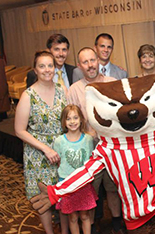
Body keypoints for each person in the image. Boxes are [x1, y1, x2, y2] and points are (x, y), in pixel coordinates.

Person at [67, 47, 123, 234]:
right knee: (90, 191)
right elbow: (71, 120)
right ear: (79, 66)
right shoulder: (74, 90)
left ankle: (116, 221)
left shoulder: (112, 83)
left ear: (98, 60)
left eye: (93, 60)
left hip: (113, 147)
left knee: (113, 188)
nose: (90, 65)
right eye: (85, 62)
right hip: (89, 149)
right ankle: (90, 226)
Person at [15, 51, 68, 234]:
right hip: (38, 155)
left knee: (61, 193)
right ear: (35, 70)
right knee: (42, 196)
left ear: (55, 68)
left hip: (61, 151)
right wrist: (45, 148)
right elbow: (19, 130)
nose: (47, 70)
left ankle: (64, 229)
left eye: (50, 65)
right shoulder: (28, 96)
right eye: (42, 66)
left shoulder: (62, 90)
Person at [54, 104, 97, 234]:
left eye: (75, 118)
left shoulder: (88, 139)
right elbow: (58, 163)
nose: (72, 122)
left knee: (85, 216)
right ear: (64, 122)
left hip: (83, 184)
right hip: (68, 185)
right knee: (72, 217)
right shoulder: (59, 141)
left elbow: (90, 161)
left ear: (81, 120)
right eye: (68, 119)